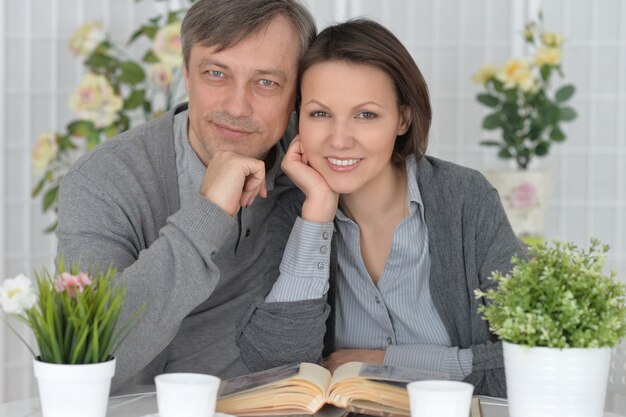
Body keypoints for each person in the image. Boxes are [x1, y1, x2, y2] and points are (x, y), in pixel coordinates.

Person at [237, 19, 526, 397]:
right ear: (298, 119)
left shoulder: (464, 199)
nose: (339, 140)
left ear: (403, 118)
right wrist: (318, 215)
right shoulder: (291, 213)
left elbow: (539, 359)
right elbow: (276, 371)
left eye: (366, 115)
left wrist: (388, 361)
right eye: (320, 114)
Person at [55, 0, 316, 392]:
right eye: (216, 73)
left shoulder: (317, 163)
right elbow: (83, 359)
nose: (236, 106)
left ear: (296, 93)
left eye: (266, 82)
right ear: (187, 76)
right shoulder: (106, 180)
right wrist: (208, 212)